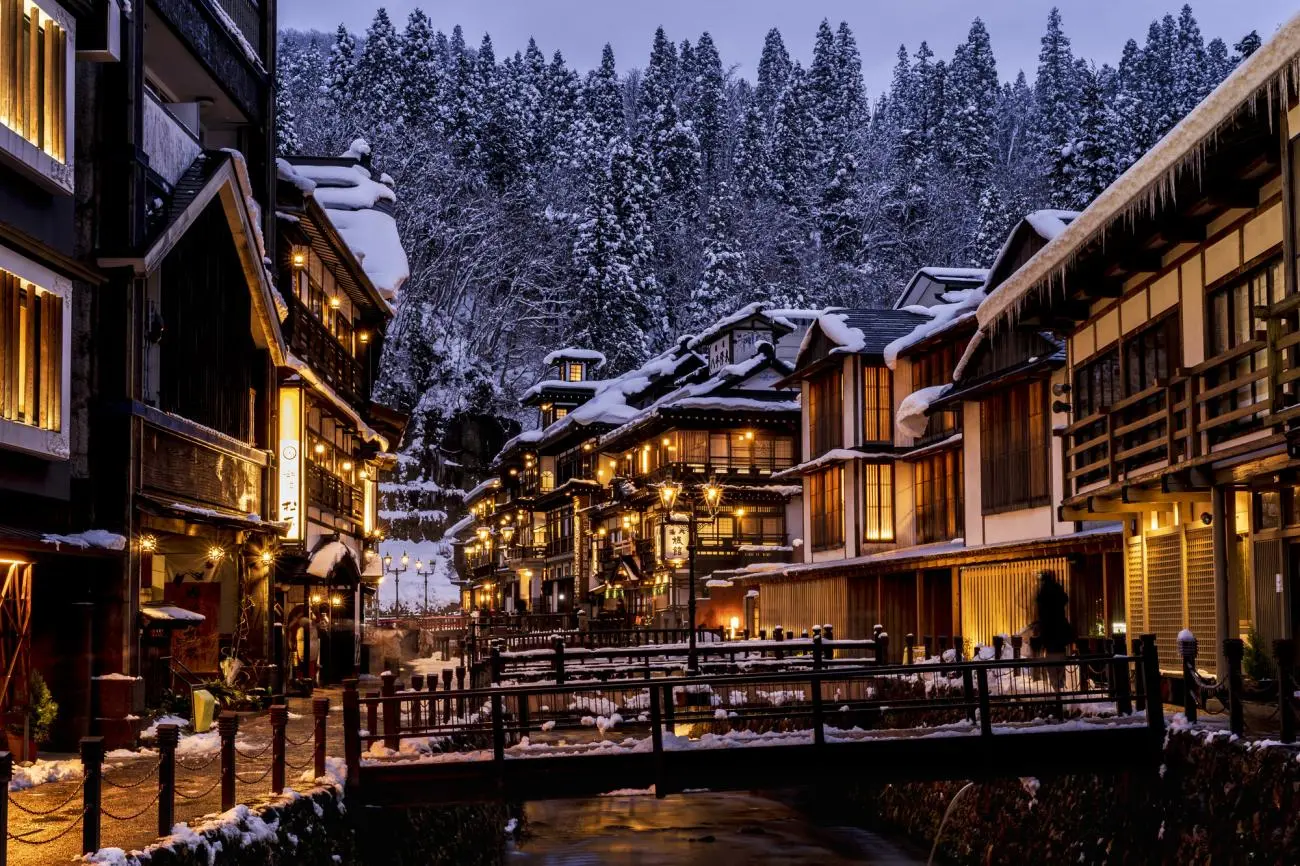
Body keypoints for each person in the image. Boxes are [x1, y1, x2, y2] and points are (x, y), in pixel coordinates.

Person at [1034, 571, 1072, 691]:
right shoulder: (1058, 590)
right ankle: (1060, 686)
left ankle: (1056, 690)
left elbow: (1041, 610)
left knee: (1052, 665)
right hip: (1060, 634)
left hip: (1049, 635)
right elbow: (1065, 599)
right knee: (1060, 662)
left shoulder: (1043, 593)